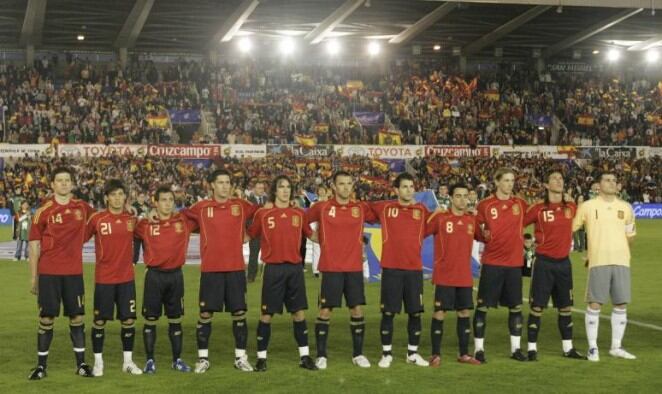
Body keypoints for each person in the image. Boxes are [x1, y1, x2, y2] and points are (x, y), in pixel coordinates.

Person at [182, 169, 257, 373]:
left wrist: (249, 234)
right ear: (212, 185)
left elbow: (261, 214)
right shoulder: (201, 208)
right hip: (211, 270)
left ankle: (241, 357)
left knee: (239, 313)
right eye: (221, 182)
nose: (225, 186)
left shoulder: (240, 206)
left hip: (235, 269)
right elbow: (181, 219)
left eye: (228, 182)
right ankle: (203, 359)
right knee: (205, 313)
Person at [28, 166, 96, 380]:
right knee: (47, 318)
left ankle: (82, 364)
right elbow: (33, 246)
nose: (64, 183)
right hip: (49, 273)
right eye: (60, 180)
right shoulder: (44, 210)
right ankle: (41, 367)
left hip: (74, 273)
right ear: (53, 184)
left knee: (77, 317)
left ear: (72, 184)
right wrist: (34, 277)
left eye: (67, 180)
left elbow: (104, 218)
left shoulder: (83, 208)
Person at [305, 172, 376, 369]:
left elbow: (382, 214)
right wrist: (313, 235)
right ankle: (321, 356)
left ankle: (358, 355)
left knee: (356, 309)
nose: (345, 187)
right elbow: (302, 219)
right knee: (325, 310)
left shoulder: (360, 208)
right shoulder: (322, 207)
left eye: (349, 183)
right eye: (341, 184)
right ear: (333, 187)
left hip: (354, 267)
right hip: (331, 267)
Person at [247, 175, 317, 372]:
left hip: (294, 269)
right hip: (273, 270)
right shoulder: (263, 214)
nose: (285, 190)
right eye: (281, 187)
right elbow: (249, 235)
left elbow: (312, 236)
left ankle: (304, 357)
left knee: (298, 313)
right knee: (267, 314)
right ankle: (261, 359)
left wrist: (339, 238)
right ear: (275, 191)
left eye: (288, 187)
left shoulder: (299, 214)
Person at [572, 171, 637, 362]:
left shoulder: (626, 208)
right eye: (607, 180)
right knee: (595, 303)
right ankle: (593, 348)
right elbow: (571, 228)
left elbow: (631, 235)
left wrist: (623, 248)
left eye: (614, 180)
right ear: (598, 185)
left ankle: (616, 346)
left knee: (621, 303)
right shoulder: (588, 207)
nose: (611, 183)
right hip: (598, 260)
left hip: (622, 260)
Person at [370, 173, 430, 368]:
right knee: (388, 313)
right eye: (404, 186)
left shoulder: (422, 210)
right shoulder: (385, 208)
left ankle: (412, 353)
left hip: (414, 270)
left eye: (411, 186)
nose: (409, 190)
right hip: (392, 270)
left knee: (415, 313)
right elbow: (359, 210)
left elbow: (438, 225)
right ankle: (386, 354)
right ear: (395, 190)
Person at [135, 185, 198, 374]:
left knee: (175, 320)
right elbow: (125, 222)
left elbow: (201, 211)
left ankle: (177, 360)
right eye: (163, 200)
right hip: (154, 276)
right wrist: (144, 214)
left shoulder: (183, 221)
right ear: (155, 202)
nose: (168, 203)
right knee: (150, 320)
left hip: (176, 276)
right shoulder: (145, 224)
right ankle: (150, 361)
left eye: (170, 200)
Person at [523, 170, 584, 361]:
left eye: (561, 179)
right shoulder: (538, 209)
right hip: (544, 263)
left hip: (564, 264)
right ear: (547, 185)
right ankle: (532, 349)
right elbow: (517, 225)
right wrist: (525, 244)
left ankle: (568, 348)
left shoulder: (571, 207)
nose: (558, 181)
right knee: (537, 307)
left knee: (565, 307)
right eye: (554, 179)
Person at [85, 180, 142, 376]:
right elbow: (78, 237)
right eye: (113, 194)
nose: (117, 198)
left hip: (126, 279)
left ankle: (128, 362)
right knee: (100, 321)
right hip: (104, 279)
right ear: (106, 197)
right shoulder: (97, 219)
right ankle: (98, 363)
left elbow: (149, 232)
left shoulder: (132, 220)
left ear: (125, 197)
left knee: (128, 320)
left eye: (121, 194)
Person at [473, 167, 528, 363]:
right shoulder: (485, 205)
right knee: (483, 308)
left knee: (515, 307)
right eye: (505, 180)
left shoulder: (520, 204)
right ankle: (479, 349)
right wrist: (483, 237)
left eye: (512, 180)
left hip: (514, 264)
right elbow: (474, 226)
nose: (509, 184)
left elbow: (534, 217)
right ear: (496, 182)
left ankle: (515, 349)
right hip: (492, 263)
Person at [425, 184, 481, 367]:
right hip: (444, 274)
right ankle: (435, 354)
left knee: (464, 312)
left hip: (464, 275)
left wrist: (479, 217)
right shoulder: (441, 218)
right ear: (450, 198)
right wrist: (433, 213)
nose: (462, 200)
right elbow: (423, 231)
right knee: (440, 312)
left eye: (466, 196)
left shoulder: (471, 220)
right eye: (458, 196)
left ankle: (464, 354)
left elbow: (486, 237)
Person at [246, 181, 267, 282]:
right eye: (259, 188)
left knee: (268, 255)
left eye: (262, 188)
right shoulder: (249, 201)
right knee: (253, 255)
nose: (261, 190)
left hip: (267, 232)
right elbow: (247, 217)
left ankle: (267, 276)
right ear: (254, 189)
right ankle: (251, 276)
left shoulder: (268, 200)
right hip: (254, 233)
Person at [309, 185, 330, 278]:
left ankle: (327, 268)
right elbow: (312, 217)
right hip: (317, 227)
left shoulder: (330, 203)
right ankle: (316, 270)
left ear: (326, 191)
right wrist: (313, 229)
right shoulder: (313, 203)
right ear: (317, 192)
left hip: (328, 228)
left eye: (323, 190)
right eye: (320, 190)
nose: (321, 191)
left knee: (328, 249)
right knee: (316, 249)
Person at [131, 191, 150, 264]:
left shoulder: (147, 205)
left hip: (145, 232)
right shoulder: (134, 205)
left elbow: (150, 216)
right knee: (136, 250)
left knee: (146, 250)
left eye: (143, 197)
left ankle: (148, 264)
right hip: (136, 232)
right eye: (141, 197)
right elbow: (131, 217)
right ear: (137, 197)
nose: (142, 199)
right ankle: (133, 264)